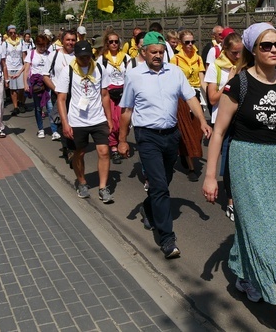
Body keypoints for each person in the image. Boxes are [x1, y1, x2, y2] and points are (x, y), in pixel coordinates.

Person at [202, 23, 276, 332]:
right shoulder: (238, 84)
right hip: (246, 160)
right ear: (254, 49)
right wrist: (211, 176)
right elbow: (219, 133)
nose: (273, 50)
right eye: (266, 46)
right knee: (269, 238)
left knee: (271, 225)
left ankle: (243, 275)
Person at [118, 32, 211, 259]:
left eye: (161, 52)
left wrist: (202, 120)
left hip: (171, 136)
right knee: (160, 186)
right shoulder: (134, 75)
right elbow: (127, 110)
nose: (158, 56)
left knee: (166, 178)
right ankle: (167, 239)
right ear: (144, 53)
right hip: (147, 136)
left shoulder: (175, 72)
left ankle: (149, 207)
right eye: (154, 52)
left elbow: (190, 98)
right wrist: (121, 140)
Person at [55, 40, 114, 204]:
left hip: (98, 118)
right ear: (76, 56)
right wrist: (65, 123)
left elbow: (105, 95)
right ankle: (82, 182)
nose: (85, 60)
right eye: (81, 57)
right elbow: (61, 99)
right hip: (77, 120)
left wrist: (109, 119)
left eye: (88, 56)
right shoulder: (68, 71)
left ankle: (103, 188)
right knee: (78, 153)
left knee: (103, 152)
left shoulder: (100, 69)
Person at [203, 30, 242, 220]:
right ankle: (231, 202)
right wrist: (230, 81)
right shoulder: (216, 67)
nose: (238, 56)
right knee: (227, 163)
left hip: (241, 119)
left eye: (240, 52)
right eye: (234, 53)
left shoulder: (245, 65)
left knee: (241, 163)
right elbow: (212, 98)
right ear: (225, 50)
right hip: (223, 120)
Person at [171, 29, 206, 182]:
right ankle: (191, 167)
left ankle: (187, 153)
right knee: (187, 131)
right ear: (181, 43)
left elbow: (202, 79)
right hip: (182, 97)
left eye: (192, 42)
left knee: (198, 131)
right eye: (187, 42)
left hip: (196, 96)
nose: (190, 45)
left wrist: (211, 96)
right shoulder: (176, 59)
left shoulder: (198, 58)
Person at [96, 30, 131, 164]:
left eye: (116, 41)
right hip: (109, 94)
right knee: (111, 121)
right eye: (111, 42)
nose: (114, 44)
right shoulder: (102, 59)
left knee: (123, 121)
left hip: (123, 93)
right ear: (107, 43)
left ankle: (122, 141)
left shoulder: (126, 58)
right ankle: (114, 148)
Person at [44, 29, 76, 144]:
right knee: (62, 120)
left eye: (73, 40)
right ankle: (66, 146)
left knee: (74, 121)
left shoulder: (78, 56)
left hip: (75, 95)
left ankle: (72, 144)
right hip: (58, 94)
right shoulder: (54, 55)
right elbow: (46, 76)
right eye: (68, 40)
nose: (70, 42)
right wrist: (56, 90)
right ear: (62, 41)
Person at [24, 34, 59, 139]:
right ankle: (41, 129)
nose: (43, 48)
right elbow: (26, 70)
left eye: (45, 46)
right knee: (38, 108)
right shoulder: (31, 54)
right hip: (36, 85)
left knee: (50, 107)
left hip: (47, 83)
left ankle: (54, 130)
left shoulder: (50, 54)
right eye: (41, 46)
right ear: (36, 45)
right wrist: (26, 84)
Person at [3, 25, 27, 115]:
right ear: (8, 33)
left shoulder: (21, 42)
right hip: (10, 67)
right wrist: (4, 71)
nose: (13, 34)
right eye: (11, 32)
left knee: (21, 87)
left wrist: (25, 66)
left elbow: (24, 55)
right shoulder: (5, 43)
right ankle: (15, 106)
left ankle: (20, 102)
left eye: (14, 32)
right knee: (12, 88)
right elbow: (3, 58)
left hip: (19, 67)